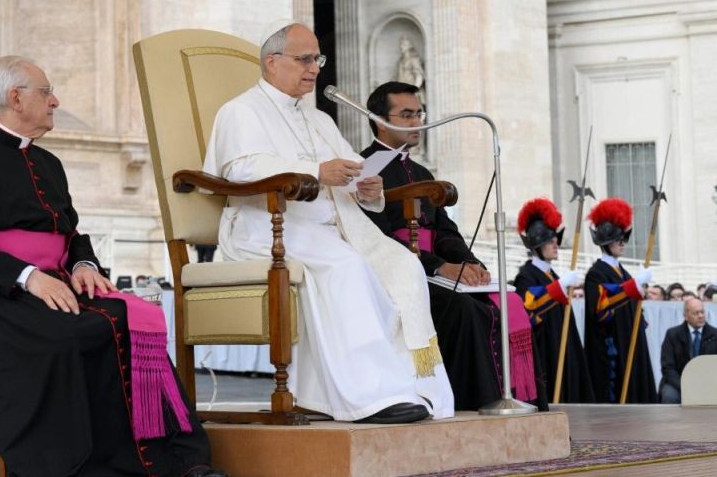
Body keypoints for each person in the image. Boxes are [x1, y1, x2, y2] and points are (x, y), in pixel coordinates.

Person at [0, 55, 223, 477]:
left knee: (131, 319)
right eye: (46, 92)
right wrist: (29, 276)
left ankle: (171, 459)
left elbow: (71, 234)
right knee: (69, 334)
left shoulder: (49, 163)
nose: (55, 101)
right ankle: (39, 457)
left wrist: (85, 264)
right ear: (15, 97)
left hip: (55, 289)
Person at [203, 23, 454, 423]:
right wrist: (316, 170)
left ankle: (414, 386)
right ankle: (368, 396)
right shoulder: (240, 111)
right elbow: (242, 172)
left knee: (403, 265)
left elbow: (346, 169)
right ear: (272, 62)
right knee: (347, 267)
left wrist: (366, 186)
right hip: (267, 226)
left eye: (316, 59)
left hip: (331, 227)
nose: (315, 68)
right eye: (304, 59)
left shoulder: (318, 118)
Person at [360, 81, 539, 410]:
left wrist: (471, 264)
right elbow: (376, 237)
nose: (418, 123)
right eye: (408, 115)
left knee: (506, 302)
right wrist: (438, 266)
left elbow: (446, 231)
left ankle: (523, 403)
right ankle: (475, 404)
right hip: (396, 274)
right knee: (466, 310)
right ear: (379, 120)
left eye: (419, 113)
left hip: (433, 268)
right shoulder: (363, 169)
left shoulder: (421, 170)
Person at [511, 198, 595, 403]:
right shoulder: (527, 276)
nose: (555, 243)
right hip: (546, 349)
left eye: (555, 239)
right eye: (549, 240)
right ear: (537, 245)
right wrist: (559, 287)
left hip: (562, 345)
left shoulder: (553, 275)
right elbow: (530, 309)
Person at [582, 198, 658, 403]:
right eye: (618, 239)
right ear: (606, 242)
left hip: (629, 345)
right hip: (612, 350)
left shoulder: (623, 272)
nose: (622, 242)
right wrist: (634, 286)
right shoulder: (596, 274)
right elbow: (601, 308)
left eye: (624, 238)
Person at [658, 297, 717, 404]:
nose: (700, 316)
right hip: (677, 382)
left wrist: (705, 385)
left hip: (707, 383)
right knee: (670, 397)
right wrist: (684, 386)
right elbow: (667, 367)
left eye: (702, 312)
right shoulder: (672, 335)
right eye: (696, 313)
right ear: (686, 316)